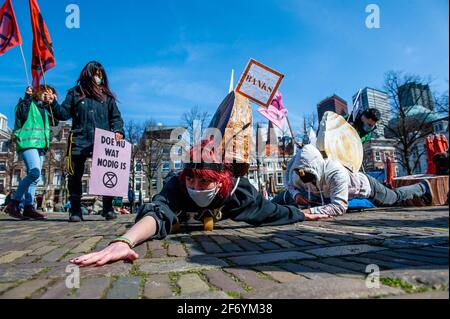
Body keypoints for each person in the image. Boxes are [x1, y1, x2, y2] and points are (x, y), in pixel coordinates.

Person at [70, 140, 326, 267]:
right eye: (191, 179)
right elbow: (156, 213)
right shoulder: (177, 186)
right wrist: (124, 242)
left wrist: (301, 214)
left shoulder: (239, 192)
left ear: (221, 180)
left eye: (204, 182)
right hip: (182, 220)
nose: (195, 187)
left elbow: (271, 212)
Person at [52, 61, 125, 222]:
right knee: (75, 176)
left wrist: (118, 131)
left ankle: (107, 208)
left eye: (100, 74)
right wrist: (52, 103)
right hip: (79, 139)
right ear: (88, 74)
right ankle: (76, 210)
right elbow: (63, 114)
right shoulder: (75, 93)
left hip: (103, 141)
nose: (98, 77)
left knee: (108, 173)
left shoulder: (107, 96)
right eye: (95, 74)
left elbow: (116, 118)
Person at [284, 145, 432, 217]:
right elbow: (290, 186)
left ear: (316, 166)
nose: (305, 179)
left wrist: (308, 212)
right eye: (301, 174)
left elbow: (339, 207)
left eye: (308, 175)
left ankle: (422, 187)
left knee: (393, 198)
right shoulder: (299, 172)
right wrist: (296, 195)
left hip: (366, 186)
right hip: (338, 193)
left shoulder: (335, 172)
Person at [4, 85, 59, 220]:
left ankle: (28, 207)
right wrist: (28, 97)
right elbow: (20, 114)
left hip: (40, 145)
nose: (47, 96)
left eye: (50, 94)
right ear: (38, 92)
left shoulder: (44, 109)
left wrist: (53, 104)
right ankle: (14, 203)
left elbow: (55, 122)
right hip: (28, 142)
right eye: (45, 93)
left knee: (36, 177)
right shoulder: (28, 103)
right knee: (34, 172)